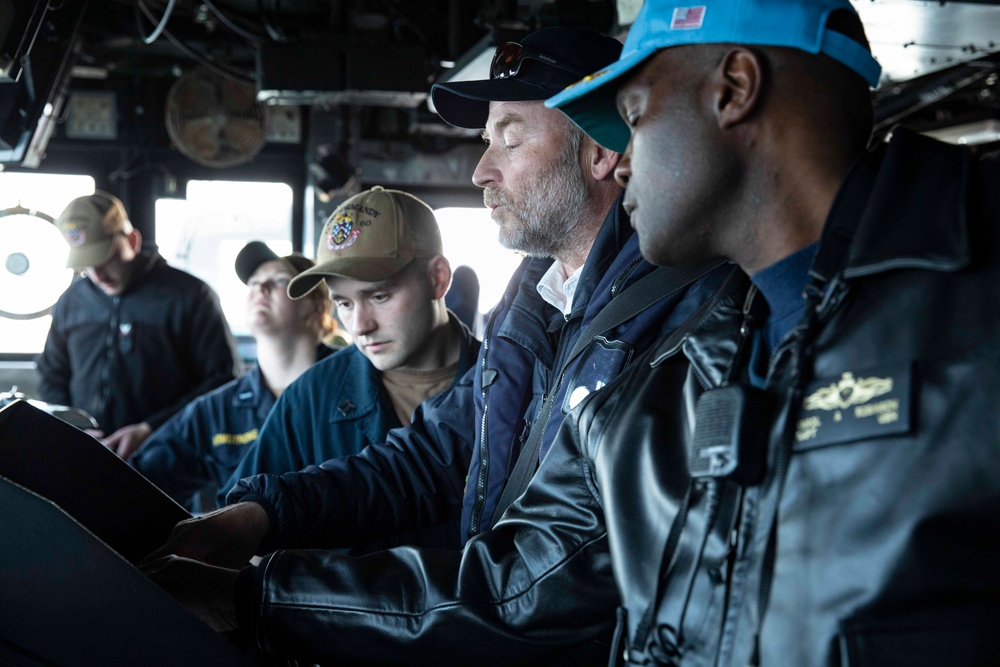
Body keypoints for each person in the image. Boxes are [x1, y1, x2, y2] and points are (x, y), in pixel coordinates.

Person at [142, 26, 730, 665]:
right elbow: (437, 451)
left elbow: (536, 586)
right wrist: (263, 514)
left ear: (600, 152)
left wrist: (254, 598)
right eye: (486, 140)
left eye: (510, 137)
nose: (481, 169)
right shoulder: (534, 299)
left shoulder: (680, 325)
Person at [541, 0, 1000, 664]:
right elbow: (510, 583)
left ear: (734, 89)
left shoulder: (977, 288)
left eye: (635, 120)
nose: (618, 163)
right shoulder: (679, 377)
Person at [218, 186, 481, 549]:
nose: (359, 325)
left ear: (438, 278)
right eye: (342, 302)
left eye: (379, 296)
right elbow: (234, 521)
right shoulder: (311, 397)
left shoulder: (507, 382)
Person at [129, 242, 336, 510]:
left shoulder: (358, 382)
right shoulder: (217, 410)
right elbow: (139, 483)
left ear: (318, 307)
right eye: (254, 283)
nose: (260, 288)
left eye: (280, 280)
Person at [37, 191, 240, 460]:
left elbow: (223, 380)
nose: (97, 275)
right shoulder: (72, 301)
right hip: (84, 452)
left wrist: (151, 428)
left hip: (166, 455)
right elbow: (51, 373)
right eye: (86, 264)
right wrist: (70, 427)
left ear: (132, 240)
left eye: (105, 258)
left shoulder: (189, 296)